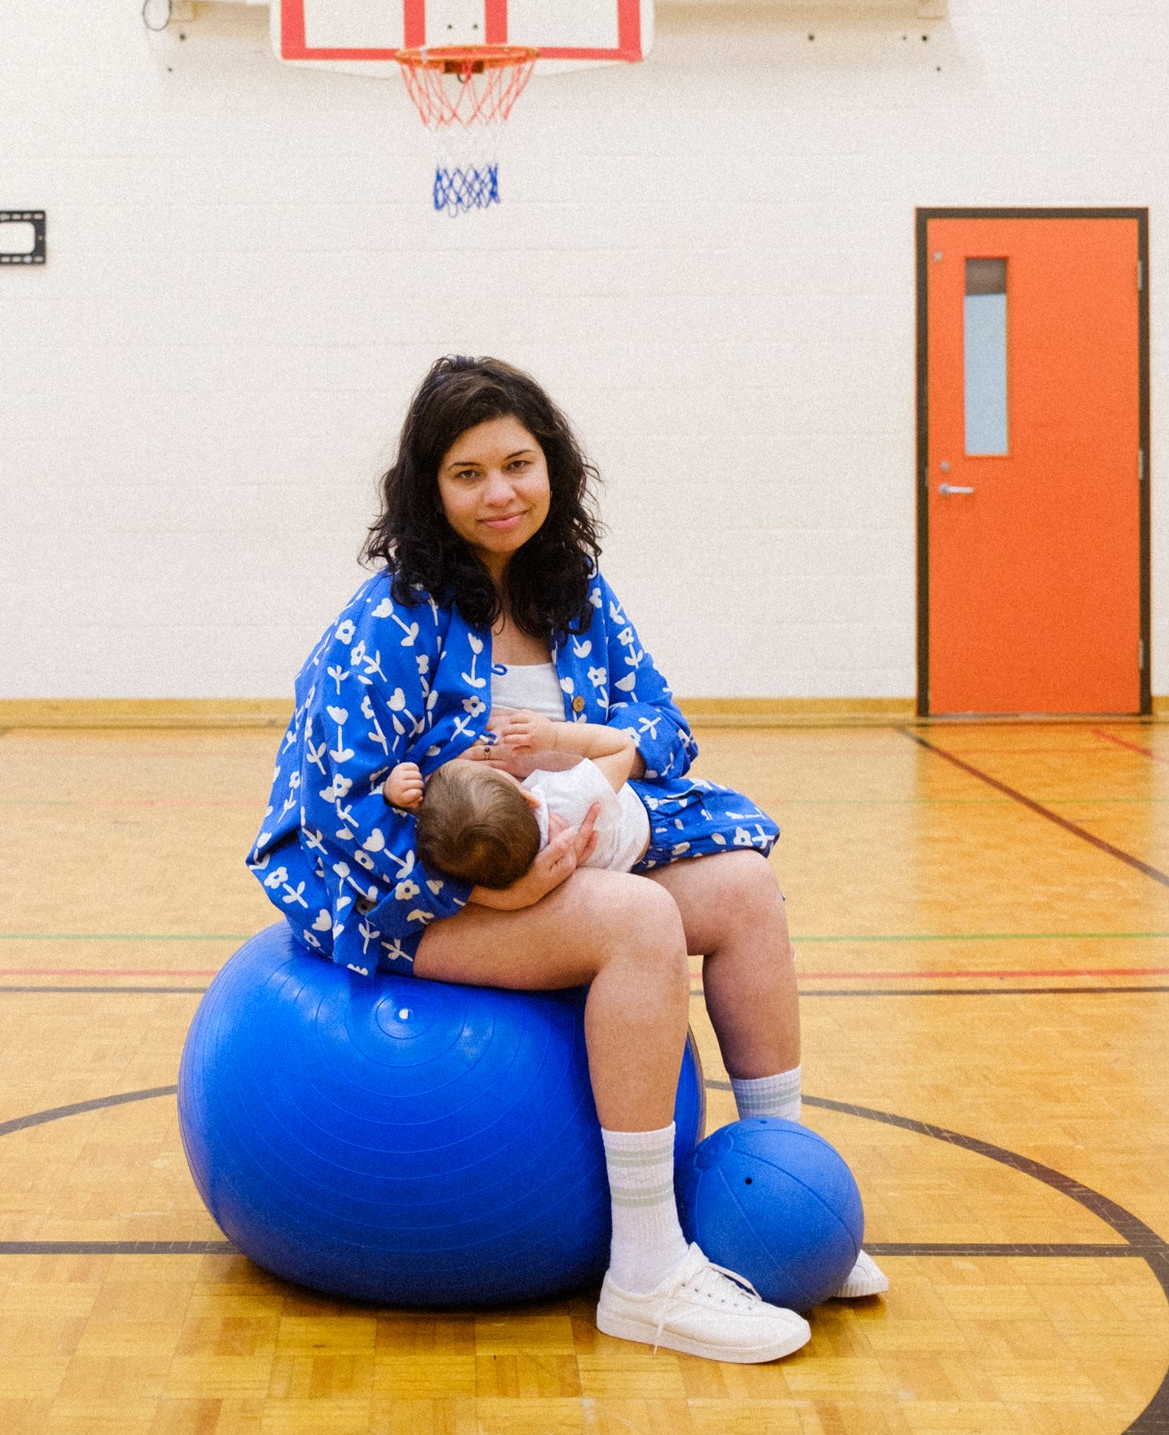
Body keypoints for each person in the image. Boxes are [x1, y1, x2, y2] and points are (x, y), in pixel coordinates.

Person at [248, 354, 885, 1361]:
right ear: (428, 487)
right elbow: (331, 811)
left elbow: (663, 725)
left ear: (552, 465)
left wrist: (604, 752)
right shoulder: (388, 619)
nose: (499, 492)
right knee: (638, 922)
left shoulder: (574, 592)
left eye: (517, 462)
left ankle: (777, 1186)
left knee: (745, 888)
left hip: (561, 850)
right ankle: (644, 1272)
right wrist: (502, 891)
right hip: (398, 895)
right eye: (467, 473)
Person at [385, 710, 650, 885]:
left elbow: (444, 824)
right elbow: (620, 747)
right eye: (493, 771)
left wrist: (396, 796)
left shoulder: (491, 861)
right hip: (657, 823)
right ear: (528, 798)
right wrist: (555, 736)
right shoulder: (565, 801)